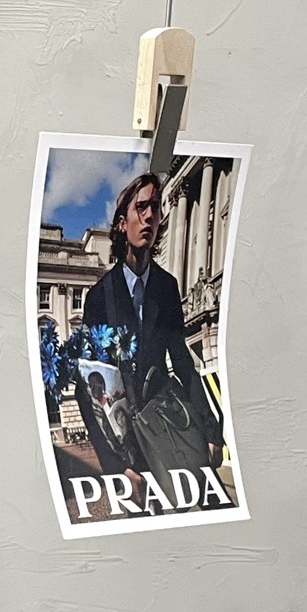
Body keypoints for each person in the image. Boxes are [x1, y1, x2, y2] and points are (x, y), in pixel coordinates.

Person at [75, 170, 222, 480]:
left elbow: (183, 363)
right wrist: (115, 466)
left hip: (166, 430)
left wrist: (211, 431)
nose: (150, 216)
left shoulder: (167, 287)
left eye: (155, 207)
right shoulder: (100, 296)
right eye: (141, 207)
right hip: (126, 448)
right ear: (121, 223)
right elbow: (87, 387)